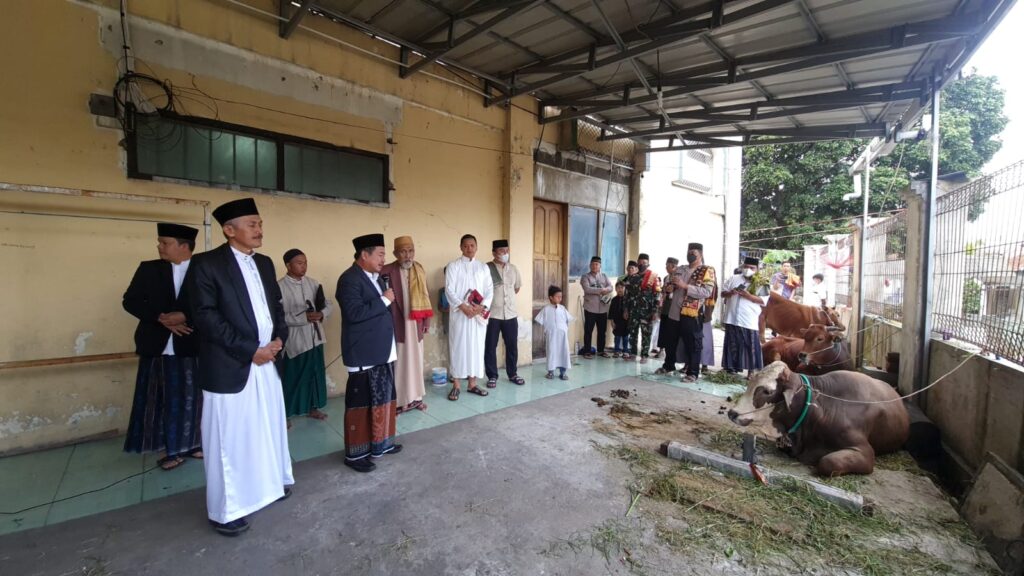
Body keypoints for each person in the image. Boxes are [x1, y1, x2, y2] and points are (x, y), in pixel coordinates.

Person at [189, 198, 293, 537]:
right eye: (252, 224)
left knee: (267, 427)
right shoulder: (206, 264)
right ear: (229, 230)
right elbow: (205, 317)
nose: (259, 229)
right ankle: (226, 511)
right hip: (230, 365)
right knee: (229, 440)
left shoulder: (263, 262)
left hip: (267, 361)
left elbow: (275, 306)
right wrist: (251, 350)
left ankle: (270, 485)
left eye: (260, 223)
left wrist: (278, 339)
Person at [122, 223, 203, 471]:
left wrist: (185, 317)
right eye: (160, 242)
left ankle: (194, 444)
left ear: (184, 246)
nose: (159, 247)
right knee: (159, 399)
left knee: (192, 399)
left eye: (165, 243)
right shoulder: (149, 269)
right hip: (156, 345)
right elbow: (130, 301)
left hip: (191, 345)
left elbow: (215, 304)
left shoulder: (203, 270)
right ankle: (169, 450)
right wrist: (160, 318)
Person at [336, 233, 402, 473]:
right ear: (364, 255)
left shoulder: (376, 278)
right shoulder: (349, 279)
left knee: (384, 400)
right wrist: (384, 300)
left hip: (382, 350)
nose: (384, 259)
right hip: (363, 352)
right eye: (380, 254)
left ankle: (381, 444)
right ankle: (356, 456)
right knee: (361, 406)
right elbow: (354, 313)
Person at [278, 249, 332, 425]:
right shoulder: (279, 287)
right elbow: (278, 316)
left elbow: (327, 304)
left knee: (314, 375)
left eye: (305, 263)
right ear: (288, 265)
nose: (304, 266)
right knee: (293, 377)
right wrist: (303, 318)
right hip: (295, 341)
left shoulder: (313, 283)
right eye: (299, 263)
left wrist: (321, 314)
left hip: (315, 338)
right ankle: (285, 414)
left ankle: (312, 407)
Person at [381, 236, 433, 414]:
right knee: (400, 363)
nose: (408, 255)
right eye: (403, 252)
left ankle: (416, 398)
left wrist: (427, 321)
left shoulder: (419, 269)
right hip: (397, 324)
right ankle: (399, 401)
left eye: (410, 251)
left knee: (416, 361)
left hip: (416, 323)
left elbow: (426, 296)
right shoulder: (387, 271)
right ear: (395, 254)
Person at [445, 234, 492, 401]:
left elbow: (489, 289)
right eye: (466, 246)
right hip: (460, 315)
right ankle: (456, 385)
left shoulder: (483, 267)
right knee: (458, 347)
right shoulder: (453, 266)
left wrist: (482, 306)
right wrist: (463, 306)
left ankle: (472, 384)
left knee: (476, 348)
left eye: (472, 245)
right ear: (461, 247)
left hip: (477, 316)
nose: (469, 248)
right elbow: (449, 290)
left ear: (476, 247)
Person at [672, 243, 717, 383]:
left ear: (701, 255)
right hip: (675, 311)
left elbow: (706, 292)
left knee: (693, 343)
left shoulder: (706, 270)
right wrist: (670, 287)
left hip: (692, 312)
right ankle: (670, 365)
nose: (690, 255)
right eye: (689, 252)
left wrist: (685, 286)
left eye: (694, 253)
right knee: (674, 341)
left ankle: (693, 373)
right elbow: (673, 285)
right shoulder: (681, 269)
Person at [484, 239, 525, 387]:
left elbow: (516, 288)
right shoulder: (486, 269)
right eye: (502, 251)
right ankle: (492, 376)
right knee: (490, 346)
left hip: (510, 314)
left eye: (507, 251)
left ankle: (512, 373)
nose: (505, 253)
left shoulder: (513, 269)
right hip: (493, 314)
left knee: (512, 346)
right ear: (494, 253)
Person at [721, 257, 768, 376]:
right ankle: (730, 368)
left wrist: (748, 296)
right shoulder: (734, 278)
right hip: (731, 317)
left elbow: (763, 301)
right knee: (732, 344)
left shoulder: (762, 282)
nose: (748, 269)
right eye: (746, 267)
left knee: (750, 346)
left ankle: (752, 372)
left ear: (757, 269)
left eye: (752, 268)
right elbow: (722, 293)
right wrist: (731, 292)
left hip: (748, 319)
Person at [623, 253, 660, 363]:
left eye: (644, 263)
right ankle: (633, 354)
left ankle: (644, 355)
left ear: (648, 264)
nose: (642, 265)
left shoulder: (653, 277)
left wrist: (655, 311)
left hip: (647, 312)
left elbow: (657, 295)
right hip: (633, 311)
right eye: (640, 263)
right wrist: (625, 309)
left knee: (646, 334)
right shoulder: (632, 278)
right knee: (632, 333)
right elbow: (626, 295)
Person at [535, 285, 574, 380]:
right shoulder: (546, 309)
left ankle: (563, 373)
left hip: (562, 336)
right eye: (557, 296)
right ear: (551, 297)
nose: (560, 298)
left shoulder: (563, 308)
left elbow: (569, 319)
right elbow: (539, 319)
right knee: (551, 352)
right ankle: (550, 372)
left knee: (563, 352)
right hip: (551, 335)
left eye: (561, 296)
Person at [580, 256, 613, 358]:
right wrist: (601, 290)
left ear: (600, 266)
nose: (595, 266)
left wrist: (606, 289)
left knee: (602, 331)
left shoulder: (604, 276)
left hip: (603, 309)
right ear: (590, 265)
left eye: (597, 264)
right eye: (593, 264)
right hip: (590, 308)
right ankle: (587, 351)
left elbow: (611, 287)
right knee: (588, 331)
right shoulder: (585, 277)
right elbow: (587, 289)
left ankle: (601, 351)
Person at [652, 257, 679, 371]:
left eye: (667, 265)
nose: (666, 267)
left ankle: (672, 360)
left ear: (674, 266)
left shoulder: (679, 278)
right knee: (663, 333)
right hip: (665, 308)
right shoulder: (666, 277)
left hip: (674, 310)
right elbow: (663, 293)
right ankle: (663, 354)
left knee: (672, 336)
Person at [608, 281, 629, 357]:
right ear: (616, 289)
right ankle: (616, 351)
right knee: (617, 337)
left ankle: (625, 351)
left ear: (625, 288)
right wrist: (612, 321)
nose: (620, 289)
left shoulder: (628, 299)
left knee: (625, 337)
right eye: (618, 288)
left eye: (622, 287)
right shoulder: (614, 300)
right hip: (617, 322)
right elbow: (611, 311)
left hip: (626, 322)